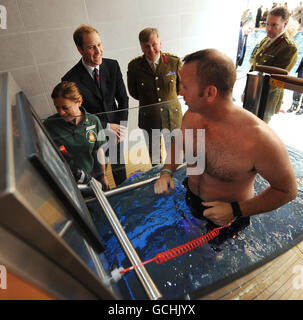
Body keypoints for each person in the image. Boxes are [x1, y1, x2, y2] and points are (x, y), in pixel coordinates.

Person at [154, 49, 297, 228]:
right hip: (190, 196)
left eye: (185, 86)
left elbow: (287, 191)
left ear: (209, 93)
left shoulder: (259, 140)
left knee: (208, 256)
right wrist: (167, 171)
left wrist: (236, 210)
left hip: (228, 216)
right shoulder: (192, 115)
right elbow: (180, 142)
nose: (180, 92)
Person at [62, 25, 129, 186]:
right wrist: (107, 126)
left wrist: (121, 128)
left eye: (99, 44)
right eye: (91, 47)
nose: (98, 51)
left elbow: (123, 99)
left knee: (120, 171)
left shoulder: (113, 66)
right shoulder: (70, 79)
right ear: (80, 49)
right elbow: (76, 115)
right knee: (98, 177)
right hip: (92, 136)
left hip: (117, 133)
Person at [127, 27, 183, 165]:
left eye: (154, 45)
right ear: (141, 47)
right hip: (150, 118)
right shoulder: (135, 66)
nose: (151, 50)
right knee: (155, 157)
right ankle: (160, 181)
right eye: (146, 46)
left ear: (160, 43)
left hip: (172, 117)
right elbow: (134, 92)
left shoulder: (173, 62)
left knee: (175, 155)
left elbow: (180, 88)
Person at [44, 81, 109, 190]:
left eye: (65, 107)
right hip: (67, 182)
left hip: (91, 178)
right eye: (57, 107)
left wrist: (102, 175)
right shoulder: (49, 125)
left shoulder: (93, 121)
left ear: (79, 102)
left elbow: (99, 150)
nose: (61, 112)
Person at [249, 6, 298, 123]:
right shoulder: (266, 40)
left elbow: (277, 78)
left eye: (274, 25)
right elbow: (254, 63)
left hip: (267, 97)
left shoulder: (289, 47)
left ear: (285, 25)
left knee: (260, 129)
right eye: (267, 24)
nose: (269, 29)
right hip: (254, 90)